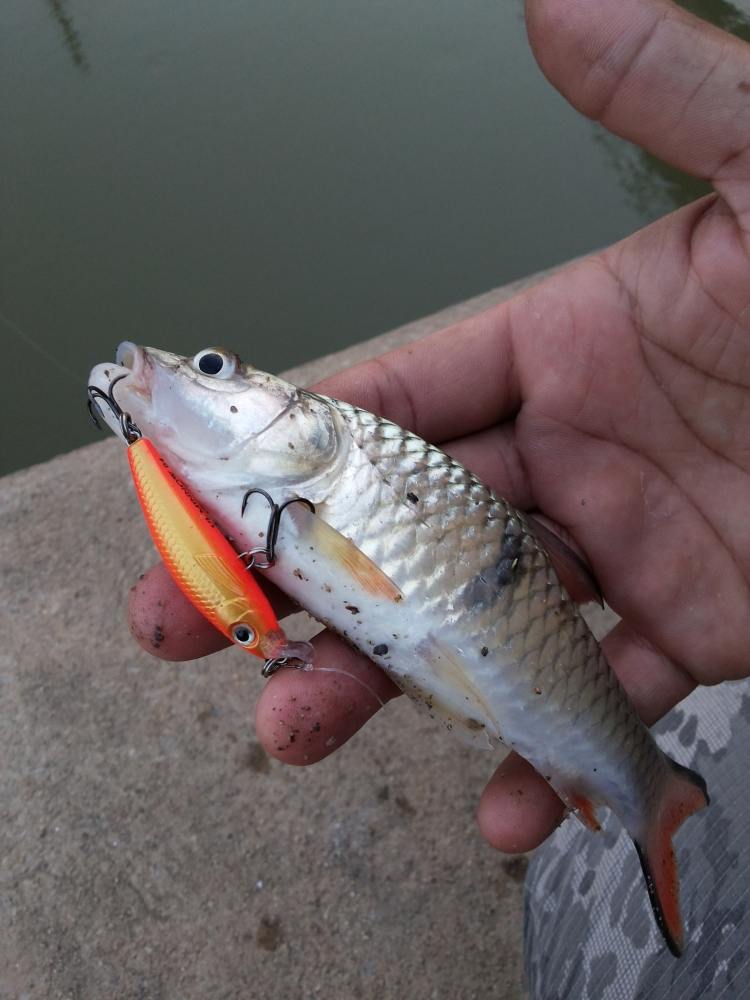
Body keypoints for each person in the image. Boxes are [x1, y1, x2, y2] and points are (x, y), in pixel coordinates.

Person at [128, 0, 750, 994]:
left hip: (487, 628)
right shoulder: (274, 481)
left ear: (293, 416)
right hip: (473, 625)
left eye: (210, 367)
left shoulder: (328, 459)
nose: (177, 376)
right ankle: (649, 796)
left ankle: (652, 797)